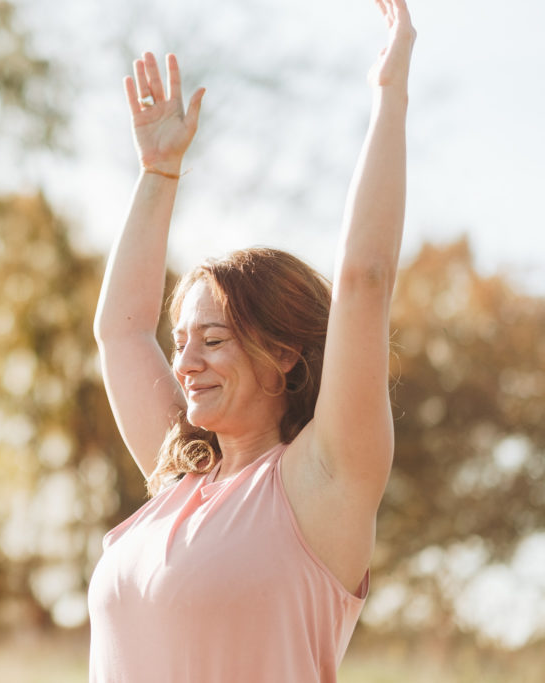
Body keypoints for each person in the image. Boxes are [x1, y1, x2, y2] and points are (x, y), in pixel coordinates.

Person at [87, 0, 416, 681]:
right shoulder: (179, 477)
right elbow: (119, 330)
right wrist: (158, 174)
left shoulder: (323, 482)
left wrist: (390, 97)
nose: (184, 363)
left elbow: (364, 281)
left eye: (213, 338)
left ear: (286, 352)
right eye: (180, 340)